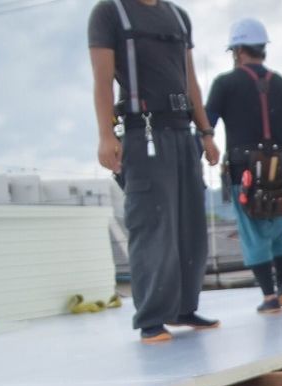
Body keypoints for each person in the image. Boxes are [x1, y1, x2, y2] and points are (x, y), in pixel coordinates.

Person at [89, 0, 220, 344]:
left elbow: (190, 78)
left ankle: (183, 308)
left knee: (190, 226)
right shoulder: (109, 12)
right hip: (142, 132)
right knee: (153, 225)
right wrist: (106, 136)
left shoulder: (178, 15)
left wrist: (205, 132)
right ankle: (151, 317)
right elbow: (102, 82)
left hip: (182, 131)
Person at [206, 18, 282, 314]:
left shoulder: (225, 85)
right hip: (280, 173)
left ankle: (270, 295)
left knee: (252, 233)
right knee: (277, 229)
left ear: (236, 50)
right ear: (263, 49)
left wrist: (198, 157)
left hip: (245, 173)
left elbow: (206, 126)